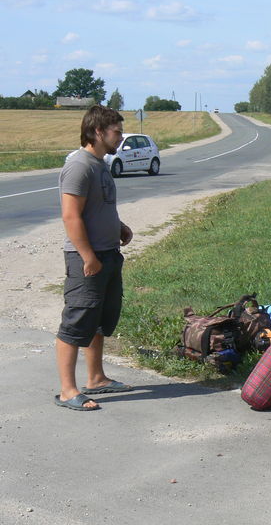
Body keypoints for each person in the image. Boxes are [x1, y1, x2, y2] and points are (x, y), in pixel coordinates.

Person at [54, 105, 134, 411]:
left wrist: (119, 226)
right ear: (98, 131)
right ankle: (67, 390)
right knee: (77, 321)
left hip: (108, 253)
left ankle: (96, 377)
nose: (121, 136)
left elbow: (99, 207)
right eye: (116, 131)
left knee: (99, 320)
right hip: (87, 257)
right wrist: (87, 256)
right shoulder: (79, 165)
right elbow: (70, 215)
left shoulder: (100, 163)